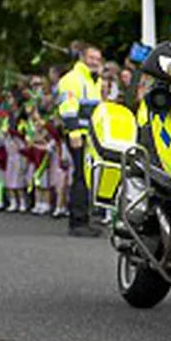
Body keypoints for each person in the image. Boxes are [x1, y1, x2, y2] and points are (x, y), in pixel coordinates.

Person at [57, 43, 103, 236]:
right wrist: (73, 132)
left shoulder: (94, 80)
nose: (95, 62)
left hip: (90, 135)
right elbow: (68, 107)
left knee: (87, 177)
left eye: (98, 59)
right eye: (91, 58)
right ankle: (77, 222)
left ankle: (83, 218)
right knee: (81, 177)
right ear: (82, 58)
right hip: (78, 135)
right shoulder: (71, 79)